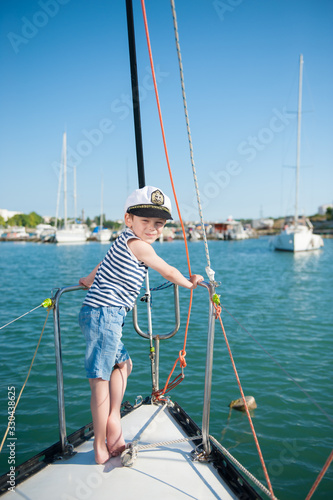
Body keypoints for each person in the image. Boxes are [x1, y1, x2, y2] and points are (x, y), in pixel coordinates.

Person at [78, 186, 203, 464]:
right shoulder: (139, 245)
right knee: (100, 380)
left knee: (124, 364)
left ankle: (112, 418)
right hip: (104, 314)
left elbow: (104, 264)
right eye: (144, 221)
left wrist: (88, 279)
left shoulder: (122, 240)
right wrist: (190, 283)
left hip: (101, 314)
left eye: (158, 223)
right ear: (128, 219)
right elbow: (166, 269)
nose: (151, 228)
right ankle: (102, 445)